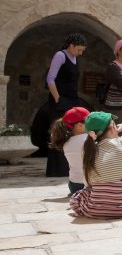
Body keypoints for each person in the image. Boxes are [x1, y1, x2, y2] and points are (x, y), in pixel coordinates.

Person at [46, 33, 88, 177]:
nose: (80, 53)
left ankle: (69, 167)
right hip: (61, 99)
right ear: (71, 46)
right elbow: (50, 79)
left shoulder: (75, 58)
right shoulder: (60, 55)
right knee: (60, 131)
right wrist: (58, 99)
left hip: (72, 99)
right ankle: (57, 170)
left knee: (73, 131)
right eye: (79, 50)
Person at [49, 107, 90, 195]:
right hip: (89, 185)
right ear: (80, 125)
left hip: (74, 186)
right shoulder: (88, 139)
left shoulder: (66, 143)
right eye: (90, 121)